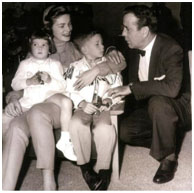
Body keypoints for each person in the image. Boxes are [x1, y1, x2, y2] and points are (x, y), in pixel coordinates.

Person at [2, 5, 126, 190]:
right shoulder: (38, 48)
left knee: (37, 113)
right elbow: (22, 82)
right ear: (48, 28)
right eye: (61, 26)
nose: (68, 29)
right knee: (16, 128)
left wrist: (99, 66)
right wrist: (12, 99)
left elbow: (115, 62)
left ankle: (48, 179)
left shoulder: (76, 47)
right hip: (35, 103)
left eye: (69, 24)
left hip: (63, 107)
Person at [109, 5, 191, 184]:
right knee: (125, 132)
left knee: (158, 101)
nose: (123, 33)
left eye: (127, 29)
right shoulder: (132, 43)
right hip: (151, 110)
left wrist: (131, 88)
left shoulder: (171, 48)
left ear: (144, 31)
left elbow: (172, 89)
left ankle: (169, 159)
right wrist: (110, 49)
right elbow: (109, 41)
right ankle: (167, 139)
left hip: (179, 108)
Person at [3, 29, 77, 162]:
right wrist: (29, 81)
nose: (39, 48)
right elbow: (15, 84)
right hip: (28, 103)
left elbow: (62, 86)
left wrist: (49, 80)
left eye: (43, 45)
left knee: (65, 101)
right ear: (30, 48)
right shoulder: (25, 64)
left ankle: (66, 140)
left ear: (50, 48)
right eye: (35, 45)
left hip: (47, 103)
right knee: (3, 118)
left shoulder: (55, 64)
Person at [65, 30, 123, 190]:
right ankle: (86, 170)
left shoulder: (110, 65)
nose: (102, 46)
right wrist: (82, 103)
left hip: (103, 108)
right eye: (97, 44)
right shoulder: (73, 67)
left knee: (106, 129)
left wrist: (109, 99)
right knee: (76, 125)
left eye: (102, 42)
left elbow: (118, 87)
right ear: (84, 49)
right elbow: (67, 90)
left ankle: (103, 172)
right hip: (82, 108)